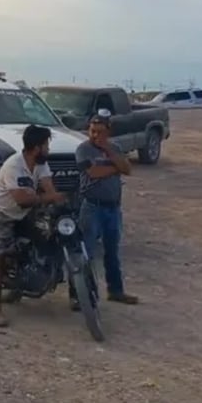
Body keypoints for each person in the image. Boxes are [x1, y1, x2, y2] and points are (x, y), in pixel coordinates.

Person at [0, 125, 67, 327]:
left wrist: (60, 201)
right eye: (46, 145)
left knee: (49, 233)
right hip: (1, 213)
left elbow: (49, 188)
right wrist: (50, 197)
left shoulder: (40, 164)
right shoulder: (14, 165)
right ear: (37, 147)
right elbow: (21, 199)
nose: (48, 149)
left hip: (24, 213)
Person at [71, 111, 139, 308]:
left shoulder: (115, 148)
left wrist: (109, 152)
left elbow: (128, 169)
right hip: (92, 206)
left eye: (100, 132)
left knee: (112, 251)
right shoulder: (83, 150)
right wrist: (116, 167)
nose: (95, 136)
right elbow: (92, 172)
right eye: (92, 131)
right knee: (86, 253)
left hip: (113, 208)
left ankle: (116, 291)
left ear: (108, 131)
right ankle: (79, 295)